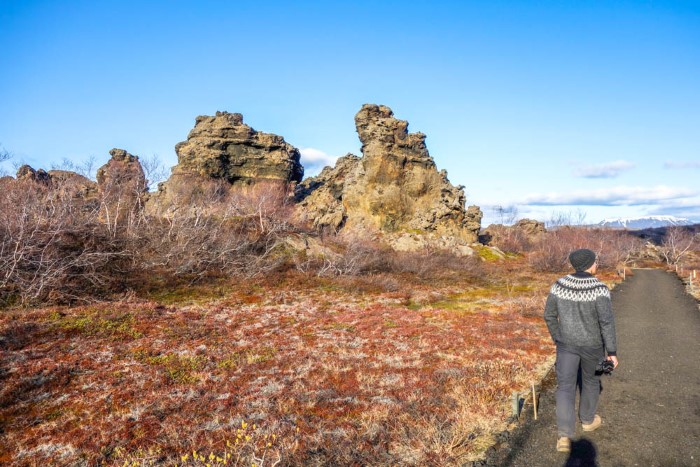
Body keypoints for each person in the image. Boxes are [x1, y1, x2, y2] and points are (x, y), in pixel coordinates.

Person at [543, 248, 619, 453]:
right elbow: (606, 323)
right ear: (589, 264)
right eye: (596, 262)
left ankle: (564, 437)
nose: (597, 265)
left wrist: (558, 337)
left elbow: (549, 315)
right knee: (592, 382)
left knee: (565, 387)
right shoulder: (600, 288)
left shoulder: (559, 285)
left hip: (566, 346)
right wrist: (612, 352)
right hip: (593, 348)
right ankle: (587, 420)